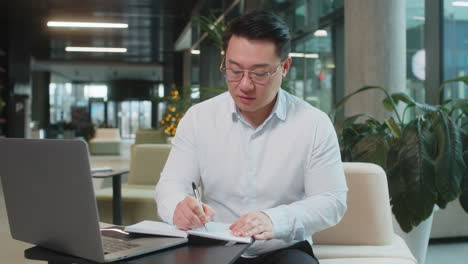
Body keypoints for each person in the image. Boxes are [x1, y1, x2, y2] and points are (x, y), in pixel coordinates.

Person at [155, 10, 348, 264]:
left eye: (259, 74)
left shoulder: (313, 124)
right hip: (214, 245)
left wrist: (274, 220)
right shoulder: (199, 118)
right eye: (234, 71)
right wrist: (179, 207)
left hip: (281, 249)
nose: (244, 85)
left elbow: (331, 200)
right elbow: (170, 185)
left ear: (285, 67)